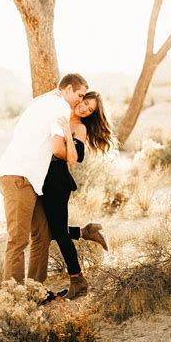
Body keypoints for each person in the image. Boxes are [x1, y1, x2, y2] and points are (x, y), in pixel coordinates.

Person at [0, 73, 89, 285]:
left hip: (30, 179)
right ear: (67, 89)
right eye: (79, 94)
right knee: (18, 241)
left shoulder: (39, 103)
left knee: (42, 234)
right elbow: (57, 149)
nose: (80, 101)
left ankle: (35, 289)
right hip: (19, 175)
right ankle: (13, 297)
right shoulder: (61, 106)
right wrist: (72, 153)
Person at [42, 91, 116, 300]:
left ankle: (78, 282)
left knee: (58, 233)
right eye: (84, 103)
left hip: (57, 181)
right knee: (49, 230)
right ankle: (85, 232)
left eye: (90, 109)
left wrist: (67, 132)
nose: (84, 108)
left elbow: (76, 157)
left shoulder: (80, 128)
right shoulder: (59, 114)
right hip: (44, 179)